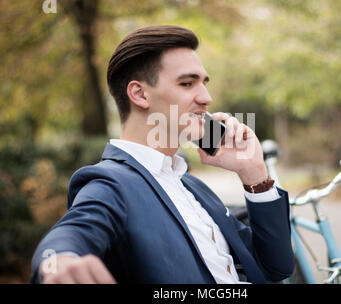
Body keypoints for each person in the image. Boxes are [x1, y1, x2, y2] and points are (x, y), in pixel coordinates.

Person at [30, 25, 294, 284]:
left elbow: (276, 268)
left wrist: (254, 174)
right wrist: (59, 261)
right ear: (140, 93)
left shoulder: (193, 187)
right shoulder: (110, 183)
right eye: (187, 83)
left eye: (204, 83)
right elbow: (74, 230)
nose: (206, 98)